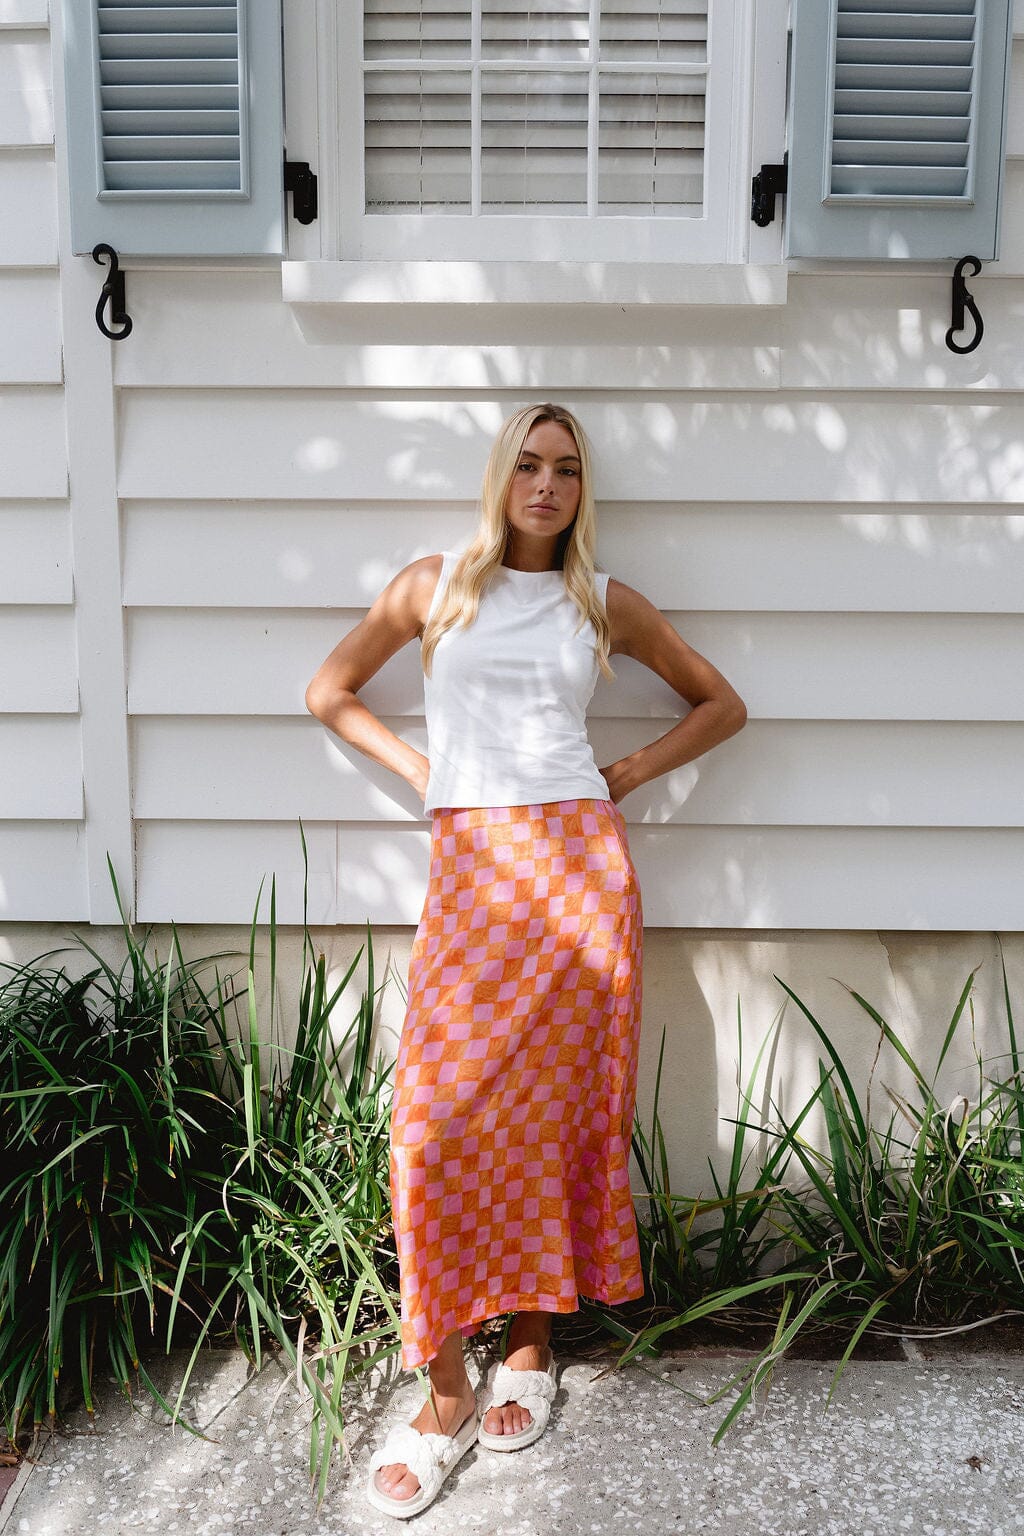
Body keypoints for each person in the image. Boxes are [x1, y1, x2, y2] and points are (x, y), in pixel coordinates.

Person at [305, 402, 746, 1518]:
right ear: (500, 478)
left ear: (582, 490)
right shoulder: (434, 587)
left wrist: (625, 773)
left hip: (579, 875)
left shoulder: (601, 602)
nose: (547, 486)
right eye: (529, 466)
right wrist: (425, 772)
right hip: (474, 871)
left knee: (553, 1115)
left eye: (567, 470)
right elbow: (329, 691)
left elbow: (720, 705)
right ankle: (447, 1390)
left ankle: (534, 1343)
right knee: (432, 1126)